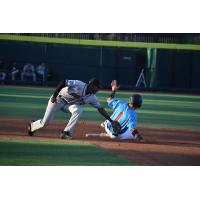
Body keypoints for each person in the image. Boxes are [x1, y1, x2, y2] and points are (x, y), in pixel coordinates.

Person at [28, 78, 115, 139]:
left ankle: (66, 132)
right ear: (92, 85)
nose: (98, 90)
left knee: (78, 110)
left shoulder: (92, 97)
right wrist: (54, 95)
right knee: (45, 122)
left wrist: (111, 120)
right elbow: (63, 82)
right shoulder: (79, 84)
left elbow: (100, 109)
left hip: (68, 105)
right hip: (58, 99)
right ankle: (32, 126)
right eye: (97, 87)